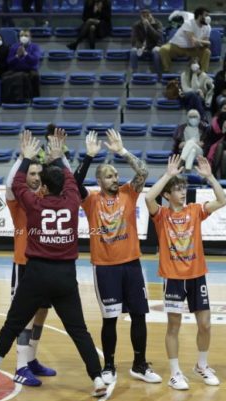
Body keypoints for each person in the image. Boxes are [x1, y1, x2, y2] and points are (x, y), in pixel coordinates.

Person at [0, 131, 106, 398]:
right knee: (79, 330)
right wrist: (59, 156)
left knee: (13, 322)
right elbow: (72, 180)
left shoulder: (34, 204)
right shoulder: (72, 200)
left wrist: (25, 158)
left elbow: (18, 183)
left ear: (43, 188)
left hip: (36, 273)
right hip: (65, 275)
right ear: (64, 186)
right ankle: (97, 378)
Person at [73, 130, 159, 386]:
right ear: (99, 180)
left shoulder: (128, 193)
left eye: (116, 175)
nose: (115, 179)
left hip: (131, 264)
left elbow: (143, 172)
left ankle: (139, 364)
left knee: (139, 315)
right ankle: (109, 365)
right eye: (109, 176)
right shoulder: (91, 200)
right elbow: (74, 183)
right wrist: (89, 156)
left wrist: (122, 151)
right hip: (105, 267)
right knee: (109, 318)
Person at [145, 154, 226, 390]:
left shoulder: (195, 210)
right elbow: (148, 197)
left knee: (205, 324)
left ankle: (201, 365)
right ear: (167, 195)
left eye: (184, 188)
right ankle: (175, 373)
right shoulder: (161, 215)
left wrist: (210, 177)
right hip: (173, 278)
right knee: (174, 326)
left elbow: (222, 200)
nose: (183, 192)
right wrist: (168, 175)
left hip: (197, 275)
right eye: (177, 189)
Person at [3, 131, 64, 386]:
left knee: (41, 312)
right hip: (24, 264)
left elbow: (67, 182)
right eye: (31, 173)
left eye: (39, 174)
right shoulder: (17, 200)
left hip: (45, 264)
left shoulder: (46, 197)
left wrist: (58, 158)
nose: (36, 178)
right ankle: (20, 366)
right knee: (24, 315)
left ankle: (31, 359)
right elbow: (9, 184)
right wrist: (23, 159)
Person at [159, 7, 211, 73]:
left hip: (192, 49)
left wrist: (203, 42)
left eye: (208, 15)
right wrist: (204, 42)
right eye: (206, 15)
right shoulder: (188, 23)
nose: (208, 18)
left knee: (207, 52)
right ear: (199, 16)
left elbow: (205, 43)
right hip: (176, 46)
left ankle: (203, 74)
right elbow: (193, 41)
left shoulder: (208, 27)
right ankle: (167, 71)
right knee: (163, 49)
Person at [5, 30, 42, 99]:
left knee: (35, 76)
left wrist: (25, 54)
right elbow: (9, 61)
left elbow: (35, 60)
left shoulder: (35, 47)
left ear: (30, 37)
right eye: (21, 35)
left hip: (30, 70)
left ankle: (34, 98)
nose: (23, 37)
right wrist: (17, 56)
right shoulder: (14, 46)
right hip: (16, 70)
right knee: (5, 76)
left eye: (26, 35)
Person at [130, 9, 163, 73]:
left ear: (151, 15)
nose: (146, 18)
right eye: (144, 16)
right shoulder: (137, 25)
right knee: (133, 51)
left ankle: (157, 73)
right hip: (142, 47)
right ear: (141, 17)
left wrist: (149, 26)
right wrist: (141, 47)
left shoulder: (158, 23)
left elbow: (158, 37)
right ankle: (134, 73)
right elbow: (134, 40)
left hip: (155, 46)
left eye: (147, 16)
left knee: (156, 51)